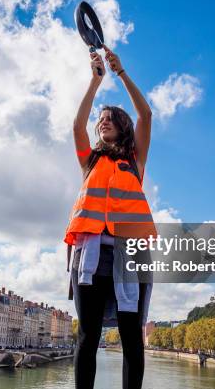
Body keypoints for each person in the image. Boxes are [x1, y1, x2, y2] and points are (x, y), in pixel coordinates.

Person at [65, 45, 154, 389]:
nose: (102, 123)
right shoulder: (89, 162)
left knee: (132, 337)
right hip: (88, 255)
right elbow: (76, 125)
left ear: (122, 126)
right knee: (87, 336)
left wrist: (121, 73)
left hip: (129, 252)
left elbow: (146, 115)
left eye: (108, 119)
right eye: (99, 121)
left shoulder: (135, 160)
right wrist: (94, 82)